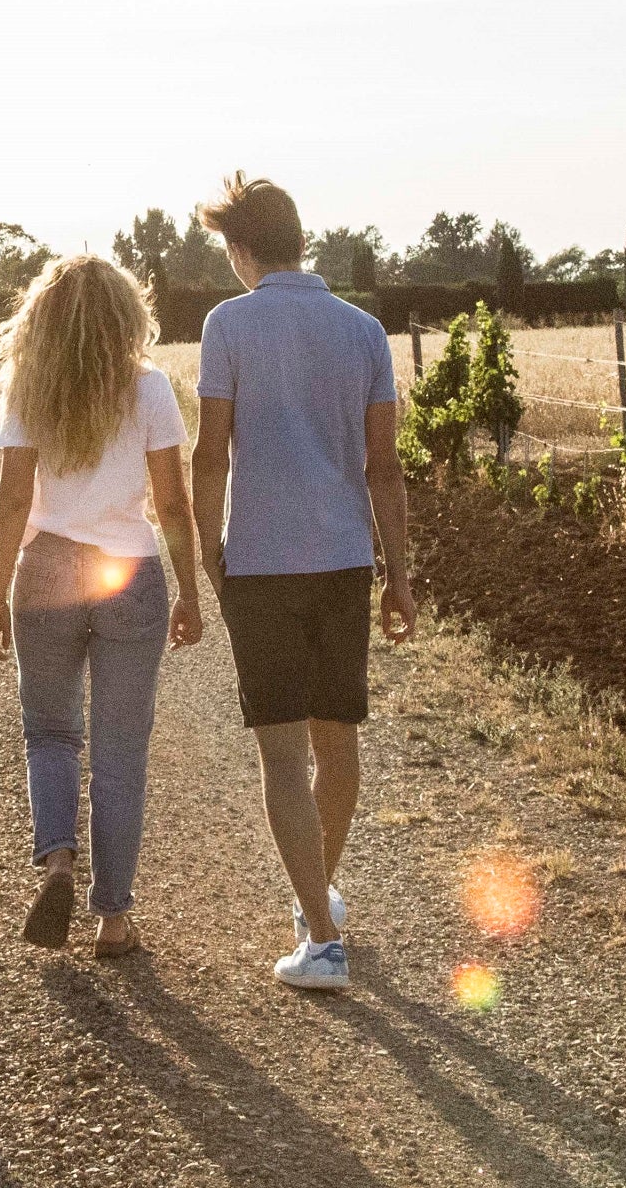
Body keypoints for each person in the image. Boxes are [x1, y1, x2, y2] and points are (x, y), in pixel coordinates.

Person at [190, 172, 417, 993]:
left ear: (242, 249)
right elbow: (384, 468)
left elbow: (212, 450)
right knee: (338, 740)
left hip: (261, 561)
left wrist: (204, 549)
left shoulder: (229, 325)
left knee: (282, 755)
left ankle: (321, 938)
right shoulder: (363, 330)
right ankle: (315, 901)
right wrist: (400, 575)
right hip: (345, 559)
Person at [0, 255, 203, 958]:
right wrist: (191, 590)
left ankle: (57, 864)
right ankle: (112, 919)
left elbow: (14, 499)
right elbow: (172, 502)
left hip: (46, 571)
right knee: (120, 753)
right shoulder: (151, 388)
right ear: (125, 315)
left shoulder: (29, 388)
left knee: (49, 734)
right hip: (127, 571)